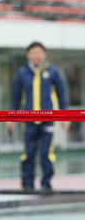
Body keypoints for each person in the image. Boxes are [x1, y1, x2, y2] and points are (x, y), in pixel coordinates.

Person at [7, 42, 70, 194]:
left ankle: (46, 184)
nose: (36, 56)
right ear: (28, 54)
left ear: (44, 54)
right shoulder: (22, 73)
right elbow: (15, 97)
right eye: (33, 52)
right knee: (28, 152)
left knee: (46, 153)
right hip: (29, 120)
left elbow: (62, 94)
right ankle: (27, 184)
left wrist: (65, 116)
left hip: (48, 119)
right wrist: (11, 117)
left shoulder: (53, 71)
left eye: (39, 52)